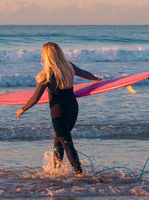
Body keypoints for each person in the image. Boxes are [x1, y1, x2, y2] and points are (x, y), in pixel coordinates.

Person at [16, 42, 99, 176]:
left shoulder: (47, 75)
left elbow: (35, 97)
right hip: (73, 109)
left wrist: (23, 109)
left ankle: (79, 173)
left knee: (66, 142)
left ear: (46, 56)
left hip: (58, 113)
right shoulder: (68, 66)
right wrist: (95, 79)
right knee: (59, 141)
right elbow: (83, 73)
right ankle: (56, 170)